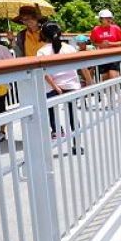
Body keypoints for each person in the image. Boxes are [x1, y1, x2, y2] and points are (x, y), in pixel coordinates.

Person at [37, 22, 84, 154]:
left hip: (52, 88)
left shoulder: (42, 51)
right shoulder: (70, 48)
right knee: (73, 116)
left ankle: (52, 141)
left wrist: (56, 87)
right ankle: (77, 145)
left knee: (50, 114)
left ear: (43, 35)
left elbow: (45, 73)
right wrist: (89, 81)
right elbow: (81, 65)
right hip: (72, 86)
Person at [89, 9, 121, 81]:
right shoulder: (96, 29)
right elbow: (93, 42)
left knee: (113, 76)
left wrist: (110, 43)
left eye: (110, 18)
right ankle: (109, 92)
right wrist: (100, 44)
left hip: (114, 55)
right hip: (102, 56)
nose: (109, 20)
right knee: (105, 79)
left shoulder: (116, 28)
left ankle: (115, 92)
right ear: (101, 19)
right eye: (106, 18)